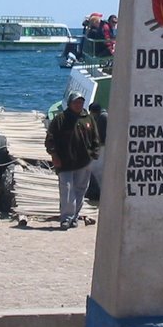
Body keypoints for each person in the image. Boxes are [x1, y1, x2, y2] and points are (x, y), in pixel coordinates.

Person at [45, 91, 100, 230]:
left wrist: (94, 154)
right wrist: (54, 155)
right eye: (76, 102)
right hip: (65, 162)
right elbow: (50, 139)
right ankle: (66, 218)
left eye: (81, 102)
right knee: (67, 190)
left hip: (84, 162)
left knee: (81, 189)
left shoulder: (88, 119)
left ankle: (75, 217)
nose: (78, 104)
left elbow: (95, 138)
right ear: (70, 103)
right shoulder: (60, 119)